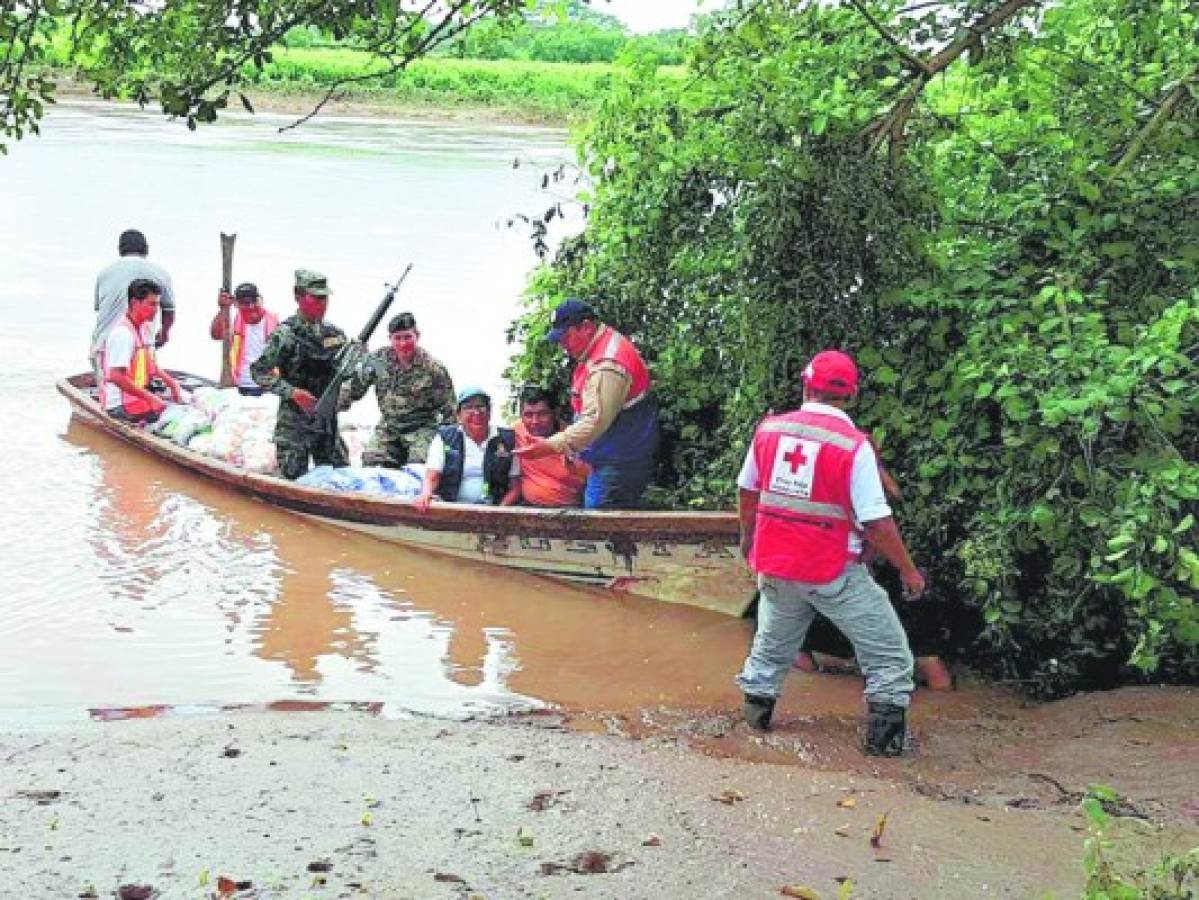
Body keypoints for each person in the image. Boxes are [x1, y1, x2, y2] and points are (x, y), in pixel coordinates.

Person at [734, 350, 927, 757]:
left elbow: (748, 491)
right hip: (831, 570)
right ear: (852, 395)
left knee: (771, 646)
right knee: (890, 655)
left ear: (806, 385)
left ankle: (754, 724)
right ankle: (884, 753)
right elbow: (876, 523)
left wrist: (748, 538)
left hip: (775, 563)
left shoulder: (769, 431)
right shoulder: (852, 447)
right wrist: (908, 571)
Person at [515, 300, 658, 509]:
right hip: (608, 457)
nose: (562, 345)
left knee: (600, 525)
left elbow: (594, 421)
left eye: (565, 337)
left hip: (617, 462)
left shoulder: (607, 366)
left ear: (586, 327)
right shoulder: (601, 346)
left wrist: (550, 446)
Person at [251, 270, 350, 480]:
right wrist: (293, 393)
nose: (322, 304)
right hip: (295, 423)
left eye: (325, 298)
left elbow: (346, 376)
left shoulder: (335, 334)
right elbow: (259, 372)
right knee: (293, 479)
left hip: (326, 423)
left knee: (342, 476)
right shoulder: (286, 334)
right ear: (298, 296)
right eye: (316, 298)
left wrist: (358, 363)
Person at [342, 312, 455, 467]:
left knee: (418, 466)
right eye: (397, 338)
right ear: (390, 339)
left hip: (421, 428)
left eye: (407, 337)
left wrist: (448, 446)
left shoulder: (433, 369)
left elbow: (450, 411)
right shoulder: (378, 361)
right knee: (371, 462)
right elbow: (354, 391)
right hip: (389, 426)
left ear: (417, 335)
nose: (403, 344)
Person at [91, 229, 176, 384]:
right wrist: (164, 333)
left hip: (104, 343)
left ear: (120, 249)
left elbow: (99, 308)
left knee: (107, 391)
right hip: (140, 345)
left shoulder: (104, 273)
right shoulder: (160, 273)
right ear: (146, 249)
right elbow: (169, 311)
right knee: (139, 389)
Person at [413, 387, 520, 510]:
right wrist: (426, 493)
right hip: (451, 508)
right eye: (468, 407)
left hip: (494, 508)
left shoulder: (507, 439)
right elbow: (432, 476)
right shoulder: (445, 437)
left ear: (490, 412)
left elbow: (515, 485)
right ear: (458, 415)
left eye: (481, 406)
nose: (476, 412)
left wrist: (499, 511)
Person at [100, 278, 183, 423]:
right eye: (151, 304)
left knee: (182, 404)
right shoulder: (123, 334)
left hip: (135, 397)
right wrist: (150, 398)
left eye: (157, 305)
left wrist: (172, 383)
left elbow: (149, 364)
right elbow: (116, 376)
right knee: (177, 415)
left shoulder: (142, 328)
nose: (156, 310)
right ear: (134, 303)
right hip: (120, 405)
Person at [514, 387, 589, 507]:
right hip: (528, 510)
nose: (535, 421)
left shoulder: (573, 440)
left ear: (556, 413)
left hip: (572, 512)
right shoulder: (517, 432)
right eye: (528, 415)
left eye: (542, 414)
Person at [209, 282, 280, 396]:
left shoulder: (273, 320)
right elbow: (216, 334)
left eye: (254, 301)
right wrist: (223, 309)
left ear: (260, 300)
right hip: (240, 386)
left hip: (268, 387)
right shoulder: (234, 319)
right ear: (237, 304)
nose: (251, 306)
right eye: (245, 303)